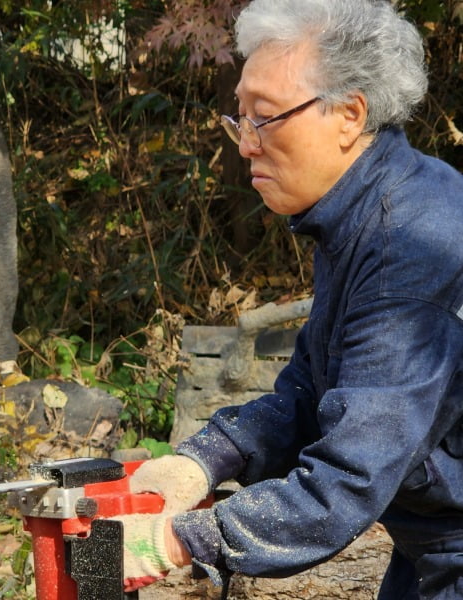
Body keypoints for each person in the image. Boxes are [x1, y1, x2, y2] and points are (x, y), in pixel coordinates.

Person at [116, 0, 463, 598]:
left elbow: (348, 477)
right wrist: (207, 457)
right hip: (431, 542)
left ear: (349, 115)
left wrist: (179, 541)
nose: (245, 144)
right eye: (239, 118)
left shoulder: (409, 241)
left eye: (266, 119)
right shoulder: (356, 211)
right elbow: (314, 388)